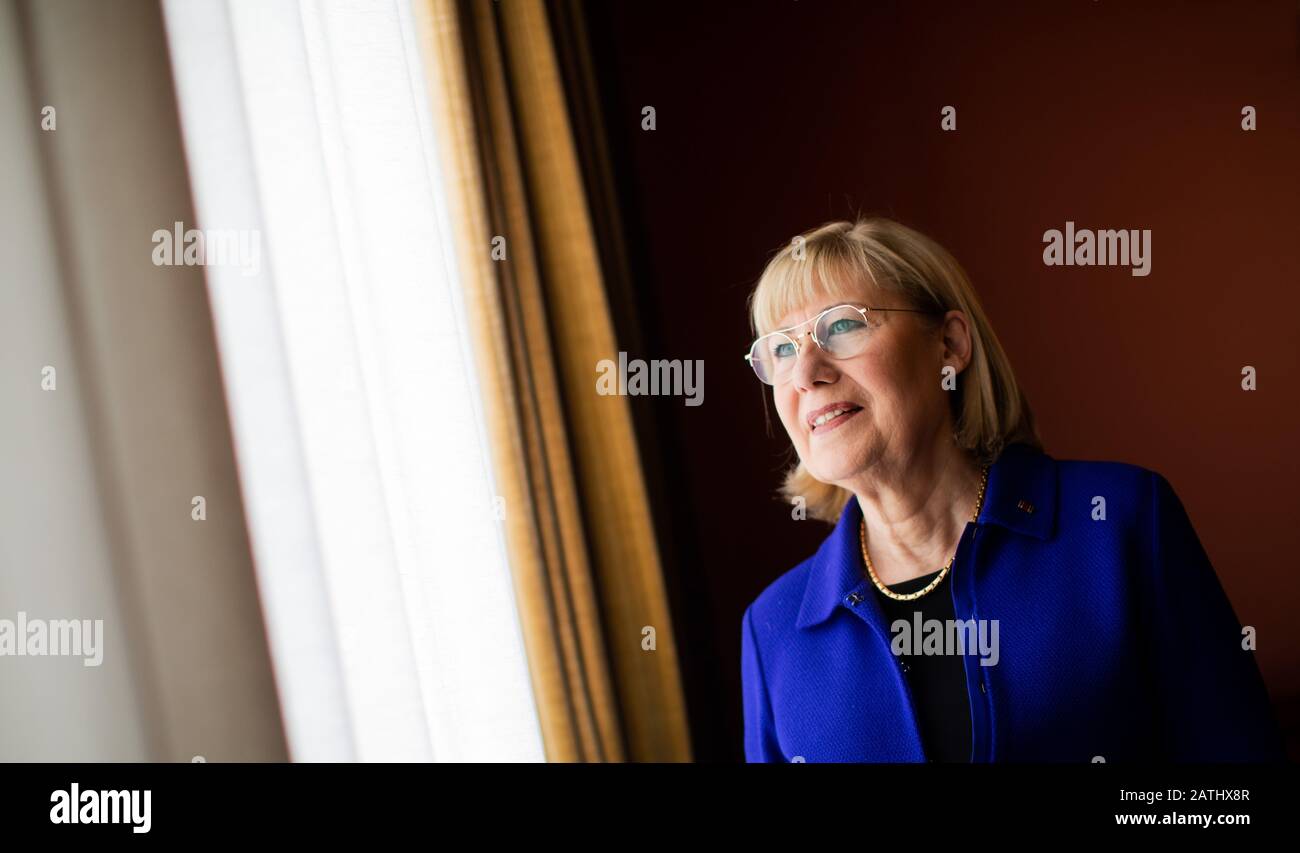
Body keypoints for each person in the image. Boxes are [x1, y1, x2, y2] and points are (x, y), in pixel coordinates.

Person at [739, 217, 1285, 762]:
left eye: (840, 326)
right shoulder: (772, 628)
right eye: (781, 350)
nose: (806, 372)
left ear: (949, 345)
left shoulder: (1120, 522)